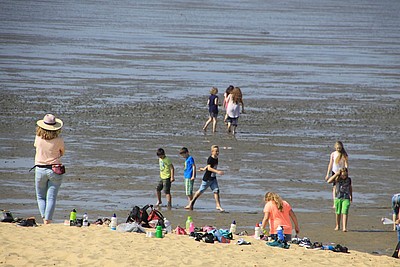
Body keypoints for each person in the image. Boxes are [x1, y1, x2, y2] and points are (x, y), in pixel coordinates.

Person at [33, 114, 65, 224]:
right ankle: (48, 219)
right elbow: (62, 152)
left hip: (40, 169)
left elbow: (36, 147)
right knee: (51, 197)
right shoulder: (59, 139)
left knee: (40, 197)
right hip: (55, 169)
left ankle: (44, 218)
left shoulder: (38, 138)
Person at [186, 145, 224, 211]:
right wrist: (217, 171)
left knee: (216, 191)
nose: (217, 152)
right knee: (200, 191)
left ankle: (218, 205)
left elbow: (208, 166)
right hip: (207, 179)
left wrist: (203, 168)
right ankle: (191, 202)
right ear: (212, 152)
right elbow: (209, 168)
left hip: (213, 178)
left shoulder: (216, 158)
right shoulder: (210, 158)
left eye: (218, 151)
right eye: (216, 151)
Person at [327, 167, 353, 232]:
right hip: (338, 197)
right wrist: (336, 174)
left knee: (345, 211)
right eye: (342, 175)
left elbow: (350, 187)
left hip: (346, 197)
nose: (344, 176)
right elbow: (329, 181)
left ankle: (344, 227)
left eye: (345, 175)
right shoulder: (337, 179)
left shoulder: (349, 179)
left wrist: (351, 196)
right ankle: (337, 225)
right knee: (338, 212)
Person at [325, 141, 349, 207]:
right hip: (334, 172)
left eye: (340, 148)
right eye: (337, 148)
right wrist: (327, 174)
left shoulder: (344, 154)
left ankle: (342, 199)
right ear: (335, 147)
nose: (338, 149)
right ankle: (335, 202)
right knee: (335, 187)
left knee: (341, 187)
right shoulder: (333, 154)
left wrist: (345, 171)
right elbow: (330, 164)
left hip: (342, 173)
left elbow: (346, 163)